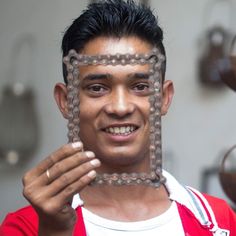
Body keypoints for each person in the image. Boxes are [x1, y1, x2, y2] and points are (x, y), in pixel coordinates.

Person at [1, 0, 236, 235]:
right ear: (66, 101)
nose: (120, 107)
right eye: (97, 88)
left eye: (141, 86)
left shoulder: (219, 222)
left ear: (164, 97)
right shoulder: (28, 227)